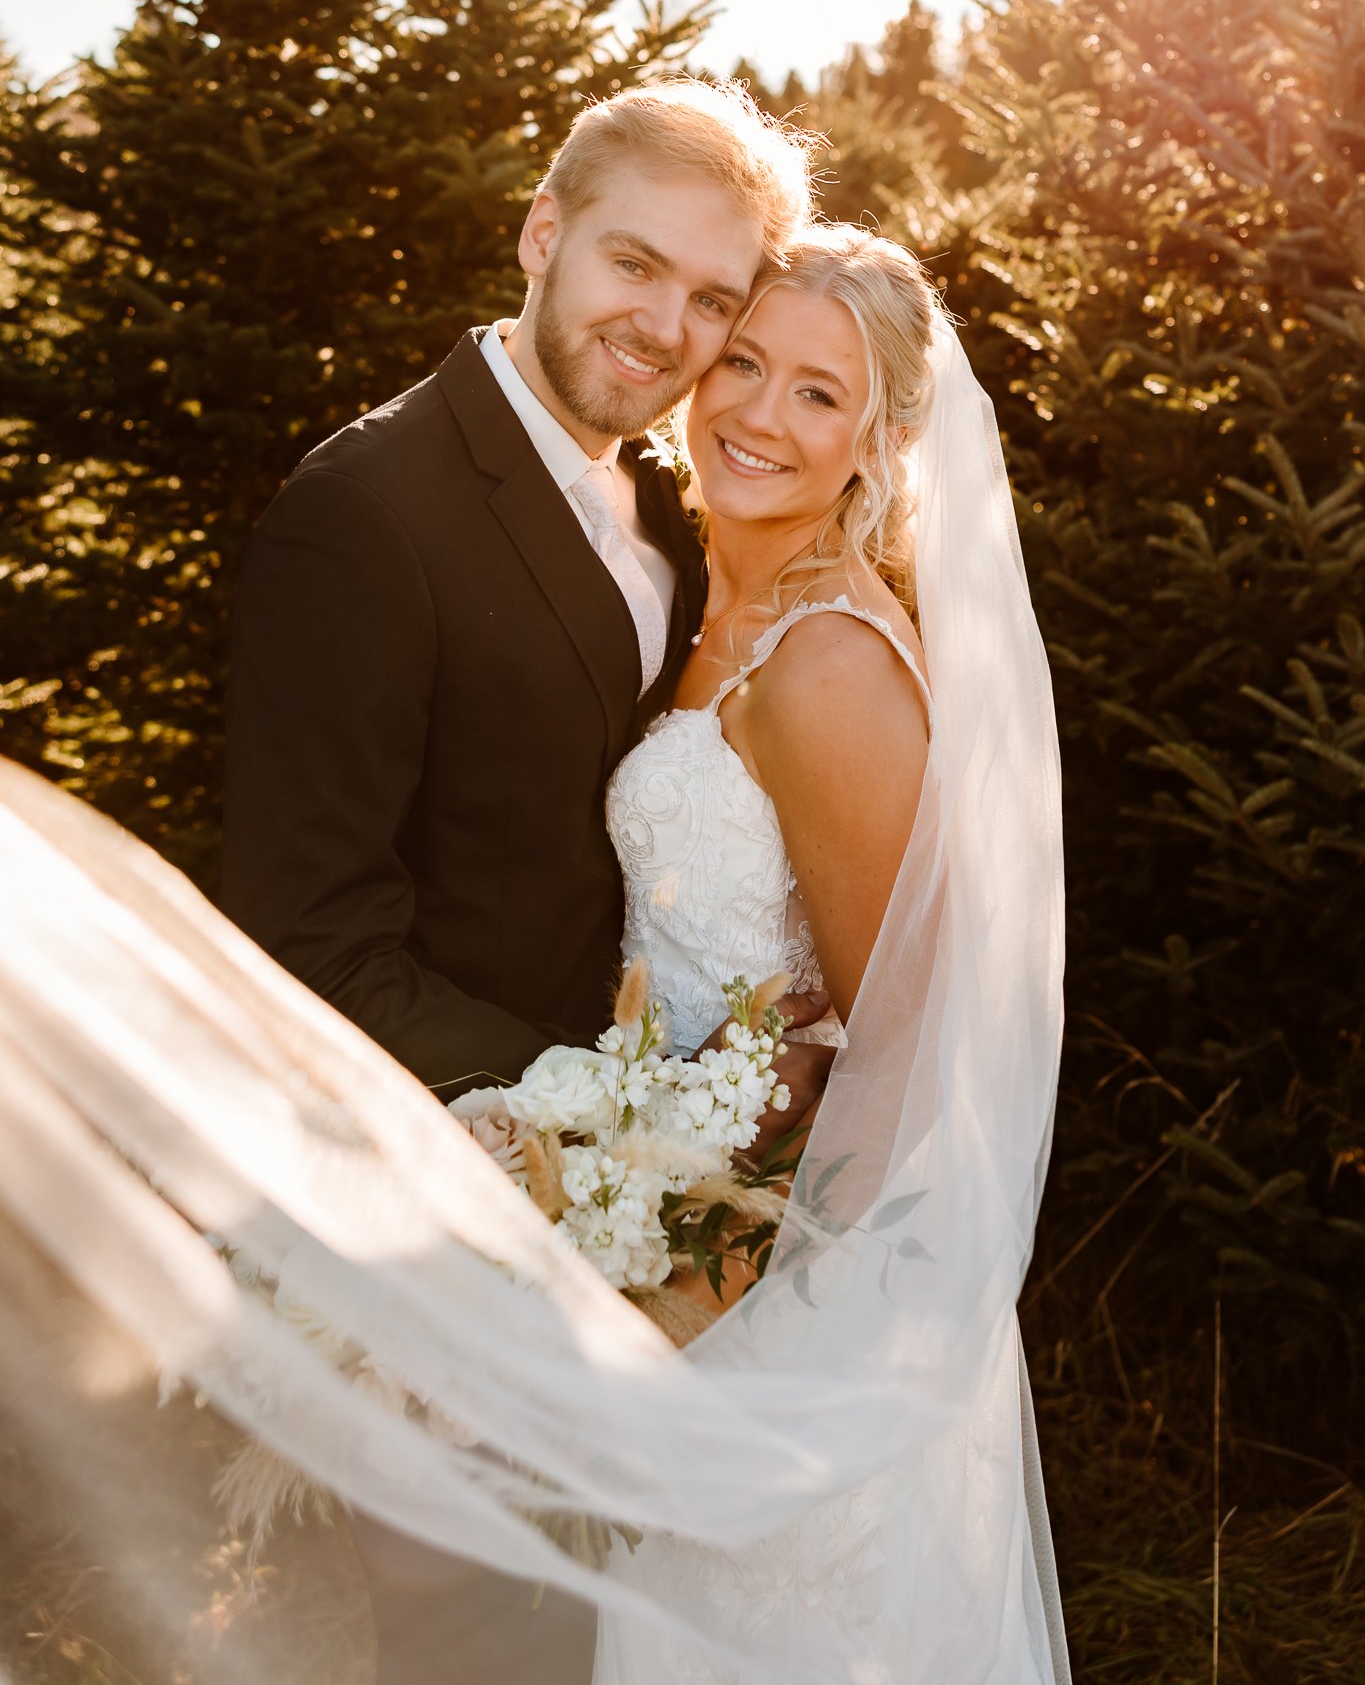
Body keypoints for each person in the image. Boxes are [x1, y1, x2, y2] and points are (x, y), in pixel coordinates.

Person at [0, 220, 1068, 1684]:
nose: (757, 410)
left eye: (817, 393)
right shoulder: (702, 595)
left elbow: (910, 1039)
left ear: (881, 441)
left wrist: (737, 1289)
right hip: (634, 1195)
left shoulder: (826, 662)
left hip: (762, 1287)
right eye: (742, 360)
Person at [219, 75, 828, 1123]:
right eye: (632, 262)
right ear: (544, 234)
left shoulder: (670, 504)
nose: (663, 325)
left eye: (711, 299)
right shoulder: (364, 512)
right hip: (438, 1151)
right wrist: (626, 1106)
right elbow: (307, 940)